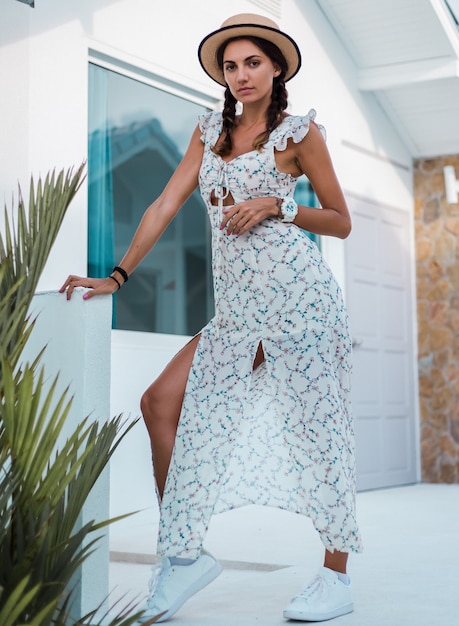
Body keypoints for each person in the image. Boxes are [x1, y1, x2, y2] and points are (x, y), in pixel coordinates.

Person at [60, 13, 362, 623]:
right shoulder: (208, 130)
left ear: (276, 67)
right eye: (231, 65)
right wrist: (117, 278)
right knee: (159, 404)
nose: (241, 74)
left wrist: (280, 205)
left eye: (253, 62)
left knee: (319, 435)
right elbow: (165, 202)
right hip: (237, 313)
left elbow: (340, 219)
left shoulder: (299, 135)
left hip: (301, 305)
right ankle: (185, 555)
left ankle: (336, 577)